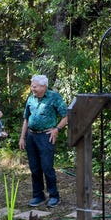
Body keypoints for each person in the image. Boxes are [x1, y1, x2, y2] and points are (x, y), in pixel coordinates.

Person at [19, 75, 68, 208]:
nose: (32, 88)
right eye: (32, 86)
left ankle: (54, 196)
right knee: (34, 168)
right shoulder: (31, 98)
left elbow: (66, 116)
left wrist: (57, 129)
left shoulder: (54, 97)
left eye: (35, 86)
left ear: (43, 86)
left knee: (47, 167)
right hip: (31, 136)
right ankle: (38, 195)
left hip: (46, 136)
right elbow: (26, 119)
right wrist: (22, 137)